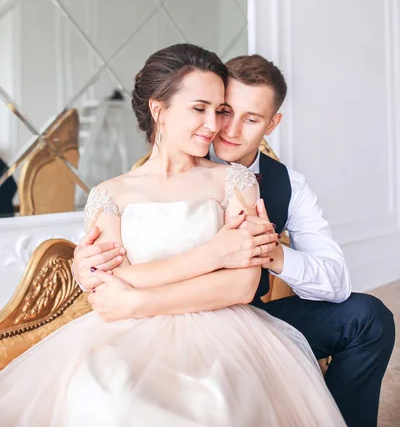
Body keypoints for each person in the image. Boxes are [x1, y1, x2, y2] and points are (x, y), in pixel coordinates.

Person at [0, 44, 345, 427]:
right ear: (159, 109)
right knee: (106, 393)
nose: (215, 126)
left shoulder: (234, 180)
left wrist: (136, 299)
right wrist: (214, 255)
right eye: (201, 109)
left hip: (225, 330)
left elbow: (242, 286)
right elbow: (110, 284)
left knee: (214, 399)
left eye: (219, 110)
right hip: (123, 334)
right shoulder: (110, 194)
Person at [76, 53, 395, 427]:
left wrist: (274, 255)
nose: (223, 128)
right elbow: (109, 251)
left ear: (272, 124)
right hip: (147, 320)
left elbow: (333, 280)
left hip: (243, 317)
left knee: (370, 317)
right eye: (223, 110)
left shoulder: (272, 183)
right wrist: (85, 267)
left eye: (251, 119)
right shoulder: (145, 172)